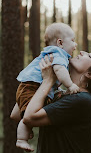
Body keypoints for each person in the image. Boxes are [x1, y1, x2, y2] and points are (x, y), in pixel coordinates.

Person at [22, 51, 91, 153]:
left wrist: (47, 81)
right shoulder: (61, 95)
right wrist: (35, 78)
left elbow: (28, 118)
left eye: (89, 56)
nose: (82, 52)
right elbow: (17, 114)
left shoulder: (83, 100)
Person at [10, 23, 79, 152]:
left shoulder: (52, 53)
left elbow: (52, 81)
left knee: (26, 111)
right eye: (73, 41)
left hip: (31, 86)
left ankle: (24, 133)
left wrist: (59, 90)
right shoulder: (59, 54)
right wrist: (70, 85)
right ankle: (21, 139)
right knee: (28, 116)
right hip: (32, 86)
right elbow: (59, 70)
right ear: (60, 42)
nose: (75, 45)